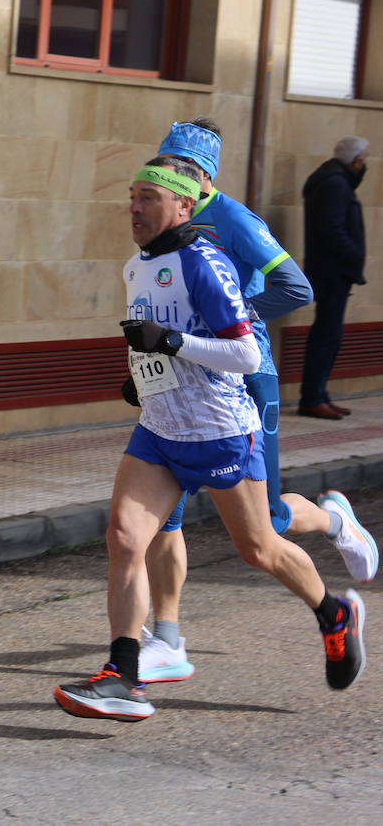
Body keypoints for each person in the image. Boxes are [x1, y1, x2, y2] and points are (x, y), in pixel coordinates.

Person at [54, 157, 366, 722]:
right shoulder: (135, 267)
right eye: (131, 195)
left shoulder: (205, 263)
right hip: (160, 431)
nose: (134, 206)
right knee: (125, 537)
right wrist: (144, 372)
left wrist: (170, 343)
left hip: (221, 431)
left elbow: (245, 354)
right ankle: (122, 676)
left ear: (183, 205)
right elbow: (159, 341)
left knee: (259, 548)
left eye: (148, 196)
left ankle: (333, 613)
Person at [138, 122, 377, 685]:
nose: (159, 180)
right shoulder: (161, 219)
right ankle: (166, 639)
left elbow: (298, 288)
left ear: (199, 180)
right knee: (159, 518)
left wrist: (226, 310)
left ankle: (336, 519)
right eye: (158, 165)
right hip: (177, 381)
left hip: (247, 380)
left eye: (173, 169)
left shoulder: (236, 220)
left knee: (263, 527)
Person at [298, 137, 369, 420]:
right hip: (332, 272)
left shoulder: (331, 180)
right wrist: (353, 256)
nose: (364, 166)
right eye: (363, 161)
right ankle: (312, 397)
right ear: (355, 161)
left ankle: (319, 394)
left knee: (329, 335)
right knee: (326, 336)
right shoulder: (335, 184)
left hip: (331, 271)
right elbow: (332, 230)